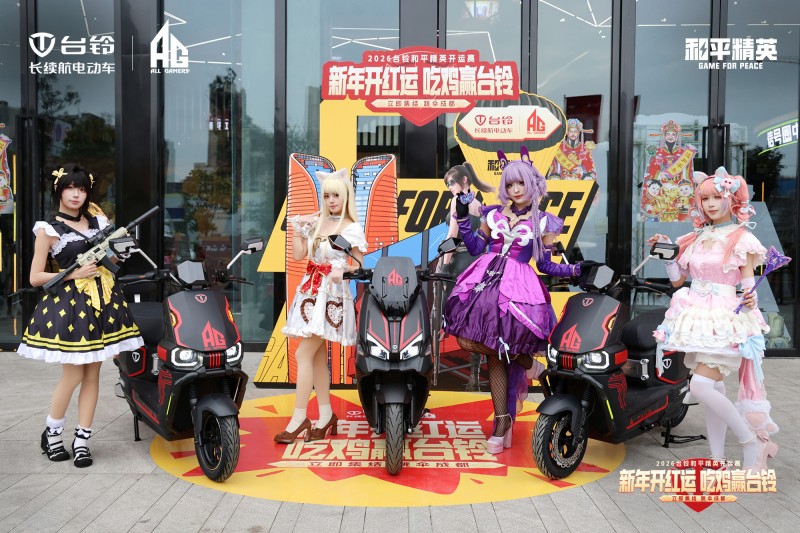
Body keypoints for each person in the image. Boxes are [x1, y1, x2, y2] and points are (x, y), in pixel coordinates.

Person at [443, 147, 593, 454]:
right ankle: (529, 365)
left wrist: (576, 270)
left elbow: (545, 265)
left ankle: (501, 424)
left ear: (532, 184)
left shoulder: (544, 222)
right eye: (510, 184)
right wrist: (464, 218)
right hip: (485, 282)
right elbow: (476, 248)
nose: (515, 190)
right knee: (469, 340)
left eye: (520, 183)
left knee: (498, 354)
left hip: (519, 288)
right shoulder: (493, 214)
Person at [649, 166, 778, 472]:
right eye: (705, 198)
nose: (710, 204)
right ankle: (717, 459)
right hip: (697, 316)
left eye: (717, 197)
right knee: (714, 390)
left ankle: (750, 441)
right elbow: (678, 280)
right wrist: (666, 253)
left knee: (701, 386)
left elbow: (747, 282)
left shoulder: (741, 237)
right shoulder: (694, 237)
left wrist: (750, 298)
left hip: (724, 318)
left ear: (730, 199)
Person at [17, 164, 144, 468]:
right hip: (71, 305)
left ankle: (82, 440)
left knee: (93, 375)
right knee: (73, 374)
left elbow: (111, 262)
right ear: (59, 191)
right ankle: (53, 433)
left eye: (82, 189)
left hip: (104, 301)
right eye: (70, 188)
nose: (76, 194)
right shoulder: (48, 229)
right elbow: (35, 277)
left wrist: (119, 253)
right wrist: (73, 274)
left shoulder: (99, 222)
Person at [277, 168, 367, 443]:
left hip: (331, 296)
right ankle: (326, 414)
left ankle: (299, 419)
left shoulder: (351, 228)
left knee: (303, 354)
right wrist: (297, 228)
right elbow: (299, 255)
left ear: (345, 196)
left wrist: (343, 268)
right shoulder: (318, 223)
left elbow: (359, 265)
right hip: (311, 292)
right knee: (315, 357)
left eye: (335, 195)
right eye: (326, 196)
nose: (331, 201)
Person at [437, 163, 495, 390]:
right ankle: (474, 377)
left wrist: (444, 266)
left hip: (458, 263)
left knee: (442, 314)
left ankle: (435, 372)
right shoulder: (479, 204)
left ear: (464, 181)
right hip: (476, 265)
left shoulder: (458, 201)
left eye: (451, 182)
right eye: (447, 184)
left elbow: (452, 235)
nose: (450, 187)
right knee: (475, 320)